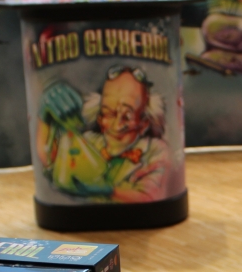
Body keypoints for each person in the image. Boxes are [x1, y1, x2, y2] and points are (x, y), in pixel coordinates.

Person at [36, 66, 172, 203]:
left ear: (143, 124)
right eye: (109, 113)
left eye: (127, 116)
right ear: (100, 119)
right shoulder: (89, 142)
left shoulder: (155, 151)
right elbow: (52, 162)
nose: (117, 126)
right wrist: (45, 119)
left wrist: (108, 191)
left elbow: (151, 197)